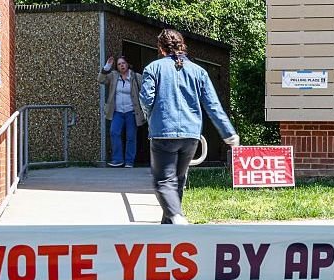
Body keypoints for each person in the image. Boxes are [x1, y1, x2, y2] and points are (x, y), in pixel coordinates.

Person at [139, 29, 240, 225]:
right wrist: (229, 134)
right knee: (177, 180)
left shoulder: (153, 68)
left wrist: (150, 117)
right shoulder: (199, 71)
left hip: (163, 132)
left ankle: (177, 217)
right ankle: (169, 228)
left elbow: (146, 99)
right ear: (182, 45)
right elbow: (213, 105)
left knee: (163, 181)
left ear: (160, 48)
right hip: (191, 134)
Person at [98, 55, 146, 168]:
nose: (121, 66)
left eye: (123, 63)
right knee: (114, 132)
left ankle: (129, 161)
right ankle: (117, 159)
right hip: (117, 111)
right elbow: (100, 79)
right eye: (119, 64)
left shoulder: (136, 76)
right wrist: (107, 67)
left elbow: (146, 88)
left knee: (131, 136)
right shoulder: (114, 76)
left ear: (128, 64)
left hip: (132, 111)